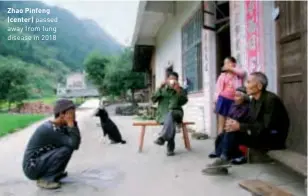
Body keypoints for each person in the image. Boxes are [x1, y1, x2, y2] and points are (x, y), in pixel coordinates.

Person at [203, 72, 290, 173]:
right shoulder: (254, 100)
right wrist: (235, 124)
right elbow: (251, 121)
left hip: (273, 138)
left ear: (259, 86)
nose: (246, 85)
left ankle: (225, 159)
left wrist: (240, 126)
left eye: (248, 82)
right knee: (231, 129)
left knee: (235, 130)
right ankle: (224, 158)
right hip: (260, 134)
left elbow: (266, 127)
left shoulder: (271, 100)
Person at [22, 99, 81, 189]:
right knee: (66, 149)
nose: (74, 116)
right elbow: (74, 144)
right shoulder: (51, 129)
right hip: (31, 167)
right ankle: (46, 179)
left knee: (68, 146)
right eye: (71, 113)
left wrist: (73, 124)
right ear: (62, 114)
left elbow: (75, 141)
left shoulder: (61, 126)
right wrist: (71, 124)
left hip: (38, 163)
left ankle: (55, 174)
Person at [208, 86, 250, 164]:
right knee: (222, 134)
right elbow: (229, 116)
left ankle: (224, 154)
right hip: (233, 129)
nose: (235, 98)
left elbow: (239, 119)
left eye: (238, 96)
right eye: (235, 95)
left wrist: (231, 123)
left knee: (230, 132)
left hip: (242, 132)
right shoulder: (233, 105)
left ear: (244, 97)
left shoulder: (247, 107)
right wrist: (228, 123)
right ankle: (219, 152)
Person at [152, 71, 188, 156]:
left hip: (177, 113)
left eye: (175, 79)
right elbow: (153, 99)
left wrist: (178, 91)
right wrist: (159, 88)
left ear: (177, 81)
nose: (173, 81)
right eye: (171, 79)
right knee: (170, 122)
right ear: (167, 80)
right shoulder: (162, 89)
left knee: (171, 115)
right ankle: (170, 148)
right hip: (163, 115)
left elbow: (183, 102)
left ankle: (162, 138)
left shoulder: (180, 90)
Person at [214, 57, 246, 135]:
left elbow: (243, 73)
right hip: (223, 100)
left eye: (228, 62)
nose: (226, 65)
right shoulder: (223, 75)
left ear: (234, 64)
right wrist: (215, 101)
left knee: (230, 123)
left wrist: (231, 68)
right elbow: (218, 90)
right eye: (225, 63)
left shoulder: (237, 74)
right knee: (221, 124)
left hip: (234, 101)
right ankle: (219, 141)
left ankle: (227, 142)